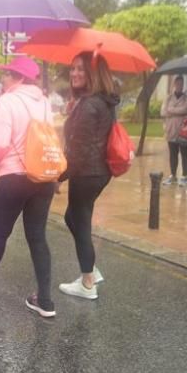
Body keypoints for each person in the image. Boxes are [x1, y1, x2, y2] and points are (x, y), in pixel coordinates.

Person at [0, 58, 57, 317]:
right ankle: (45, 300)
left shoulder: (8, 101)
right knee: (37, 237)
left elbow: (0, 144)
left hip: (14, 176)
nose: (3, 79)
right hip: (42, 177)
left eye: (6, 74)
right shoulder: (45, 102)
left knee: (0, 233)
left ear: (18, 77)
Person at [58, 51, 119, 300]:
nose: (74, 73)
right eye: (73, 69)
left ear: (93, 74)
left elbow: (79, 151)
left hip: (86, 172)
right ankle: (91, 270)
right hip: (97, 171)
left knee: (79, 222)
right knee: (72, 217)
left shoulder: (91, 104)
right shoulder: (101, 101)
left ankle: (87, 283)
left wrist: (57, 178)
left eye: (81, 69)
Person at [160, 75, 187, 187]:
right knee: (173, 154)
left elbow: (186, 109)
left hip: (183, 131)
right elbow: (163, 112)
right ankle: (173, 175)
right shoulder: (168, 98)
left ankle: (184, 177)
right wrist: (177, 111)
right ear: (174, 84)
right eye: (177, 83)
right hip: (170, 130)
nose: (179, 85)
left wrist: (171, 110)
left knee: (184, 153)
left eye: (181, 83)